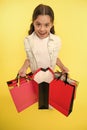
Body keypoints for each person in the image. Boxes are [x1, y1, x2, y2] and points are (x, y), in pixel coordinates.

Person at [18, 4, 69, 77]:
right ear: (33, 23)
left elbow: (55, 58)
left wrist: (62, 67)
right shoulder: (28, 40)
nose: (42, 29)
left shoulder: (56, 40)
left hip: (50, 78)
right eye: (38, 24)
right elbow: (30, 59)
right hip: (35, 79)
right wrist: (24, 67)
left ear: (52, 24)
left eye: (46, 25)